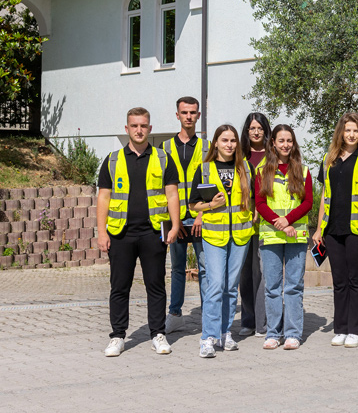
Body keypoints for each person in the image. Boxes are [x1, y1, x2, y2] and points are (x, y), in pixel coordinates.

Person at [97, 107, 181, 357]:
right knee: (119, 287)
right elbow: (103, 198)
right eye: (134, 126)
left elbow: (172, 194)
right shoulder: (112, 160)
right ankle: (118, 336)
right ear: (127, 129)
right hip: (120, 234)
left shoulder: (163, 158)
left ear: (150, 128)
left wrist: (175, 226)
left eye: (143, 125)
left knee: (155, 285)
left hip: (153, 233)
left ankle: (158, 334)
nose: (139, 130)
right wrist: (101, 232)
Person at [313, 112, 358, 348]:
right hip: (332, 228)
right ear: (340, 133)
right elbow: (325, 196)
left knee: (355, 280)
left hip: (357, 229)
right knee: (339, 281)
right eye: (347, 130)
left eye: (355, 131)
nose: (351, 134)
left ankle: (357, 330)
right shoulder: (328, 159)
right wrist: (319, 229)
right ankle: (341, 328)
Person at [189, 123, 254, 358]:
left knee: (230, 287)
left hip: (240, 235)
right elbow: (192, 204)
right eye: (224, 140)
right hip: (214, 236)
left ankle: (225, 333)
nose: (229, 144)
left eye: (233, 140)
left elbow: (253, 200)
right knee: (215, 286)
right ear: (215, 143)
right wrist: (210, 205)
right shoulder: (204, 169)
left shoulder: (245, 167)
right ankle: (208, 337)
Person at [254, 123, 313, 351]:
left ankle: (293, 333)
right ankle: (273, 333)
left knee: (294, 287)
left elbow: (308, 202)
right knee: (272, 287)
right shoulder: (262, 171)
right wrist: (279, 223)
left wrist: (287, 221)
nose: (286, 145)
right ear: (273, 143)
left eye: (289, 141)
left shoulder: (303, 171)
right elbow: (260, 203)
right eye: (281, 141)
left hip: (296, 235)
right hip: (271, 237)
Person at [165, 96, 205, 335]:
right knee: (177, 268)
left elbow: (211, 184)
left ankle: (208, 315)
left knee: (205, 268)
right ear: (177, 115)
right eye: (184, 112)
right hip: (176, 219)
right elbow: (162, 187)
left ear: (198, 115)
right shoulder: (165, 148)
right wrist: (174, 220)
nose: (188, 116)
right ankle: (175, 315)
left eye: (192, 112)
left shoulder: (207, 147)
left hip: (200, 218)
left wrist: (201, 214)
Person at [237, 112, 271, 339]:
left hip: (266, 223)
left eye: (260, 128)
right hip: (243, 222)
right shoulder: (240, 156)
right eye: (252, 128)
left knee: (262, 274)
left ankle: (263, 323)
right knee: (245, 275)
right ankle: (247, 321)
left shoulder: (273, 155)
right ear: (247, 131)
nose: (256, 132)